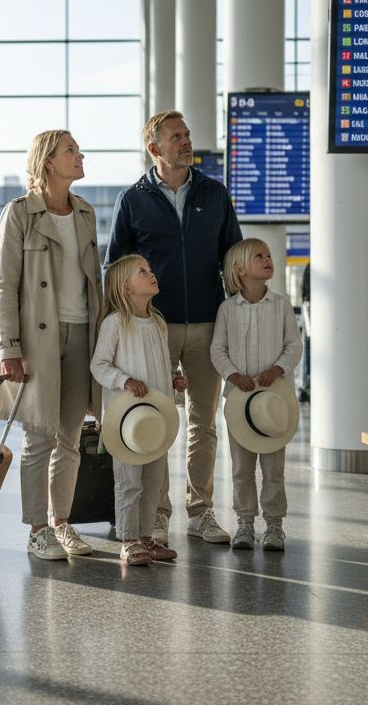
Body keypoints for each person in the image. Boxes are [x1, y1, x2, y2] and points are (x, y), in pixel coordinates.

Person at [105, 109, 243, 544]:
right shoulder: (133, 199)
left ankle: (201, 511)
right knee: (157, 419)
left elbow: (234, 258)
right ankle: (157, 514)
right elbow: (114, 268)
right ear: (154, 148)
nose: (186, 142)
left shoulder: (214, 193)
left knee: (204, 422)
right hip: (152, 330)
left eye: (187, 134)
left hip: (207, 323)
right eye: (176, 137)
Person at [0, 129, 102, 561]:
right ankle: (38, 530)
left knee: (70, 438)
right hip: (37, 340)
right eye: (71, 150)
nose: (80, 155)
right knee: (39, 436)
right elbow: (4, 285)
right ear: (48, 161)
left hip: (82, 332)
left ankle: (61, 522)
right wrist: (10, 348)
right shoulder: (20, 213)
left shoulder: (86, 213)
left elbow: (93, 280)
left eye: (78, 149)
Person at [90, 254, 187, 565]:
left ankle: (146, 538)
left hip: (155, 420)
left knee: (154, 482)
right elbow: (99, 365)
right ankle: (129, 540)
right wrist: (125, 381)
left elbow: (161, 364)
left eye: (149, 269)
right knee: (129, 480)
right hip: (127, 423)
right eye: (142, 271)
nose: (151, 273)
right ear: (126, 288)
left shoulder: (158, 322)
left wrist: (173, 380)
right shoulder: (115, 323)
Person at [209, 238, 303, 551]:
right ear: (239, 270)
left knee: (274, 469)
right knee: (241, 468)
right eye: (258, 256)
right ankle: (245, 524)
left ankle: (274, 525)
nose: (267, 259)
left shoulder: (281, 306)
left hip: (275, 403)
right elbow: (217, 350)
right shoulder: (227, 310)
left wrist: (278, 369)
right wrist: (232, 375)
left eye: (268, 255)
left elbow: (294, 345)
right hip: (240, 405)